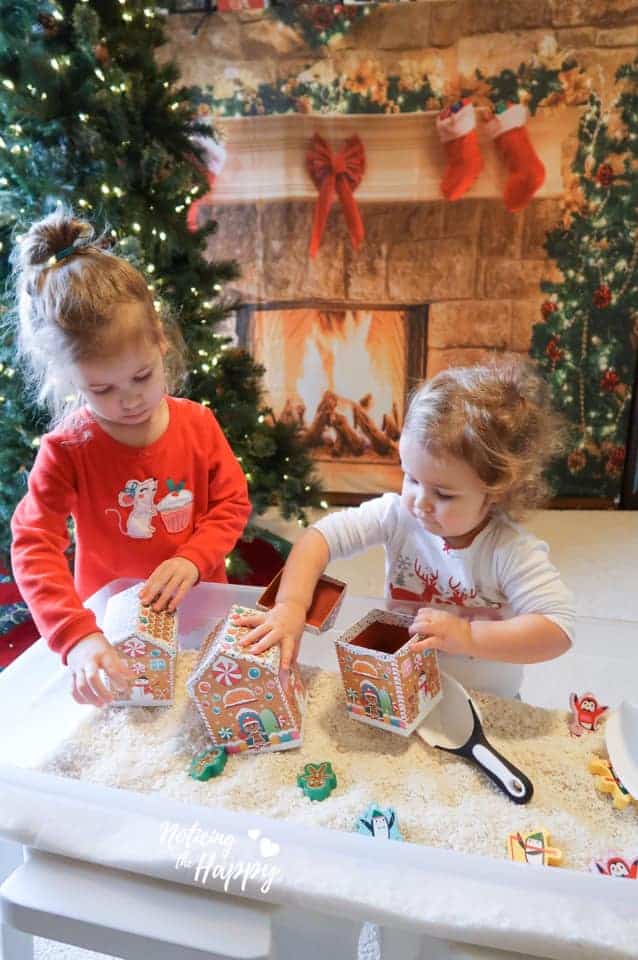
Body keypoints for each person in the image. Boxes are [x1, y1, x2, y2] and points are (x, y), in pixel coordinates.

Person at [10, 208, 252, 707]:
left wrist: (195, 557)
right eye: (101, 388)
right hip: (113, 627)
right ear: (70, 381)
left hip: (200, 612)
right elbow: (33, 545)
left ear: (161, 342)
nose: (129, 400)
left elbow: (231, 504)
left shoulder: (198, 425)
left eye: (142, 376)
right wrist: (76, 636)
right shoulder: (67, 450)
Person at [236, 359, 575, 698]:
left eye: (443, 494)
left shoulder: (510, 550)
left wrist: (468, 637)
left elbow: (558, 628)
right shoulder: (397, 514)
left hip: (487, 699)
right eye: (411, 478)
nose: (420, 502)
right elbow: (319, 538)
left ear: (496, 491)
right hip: (405, 687)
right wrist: (291, 605)